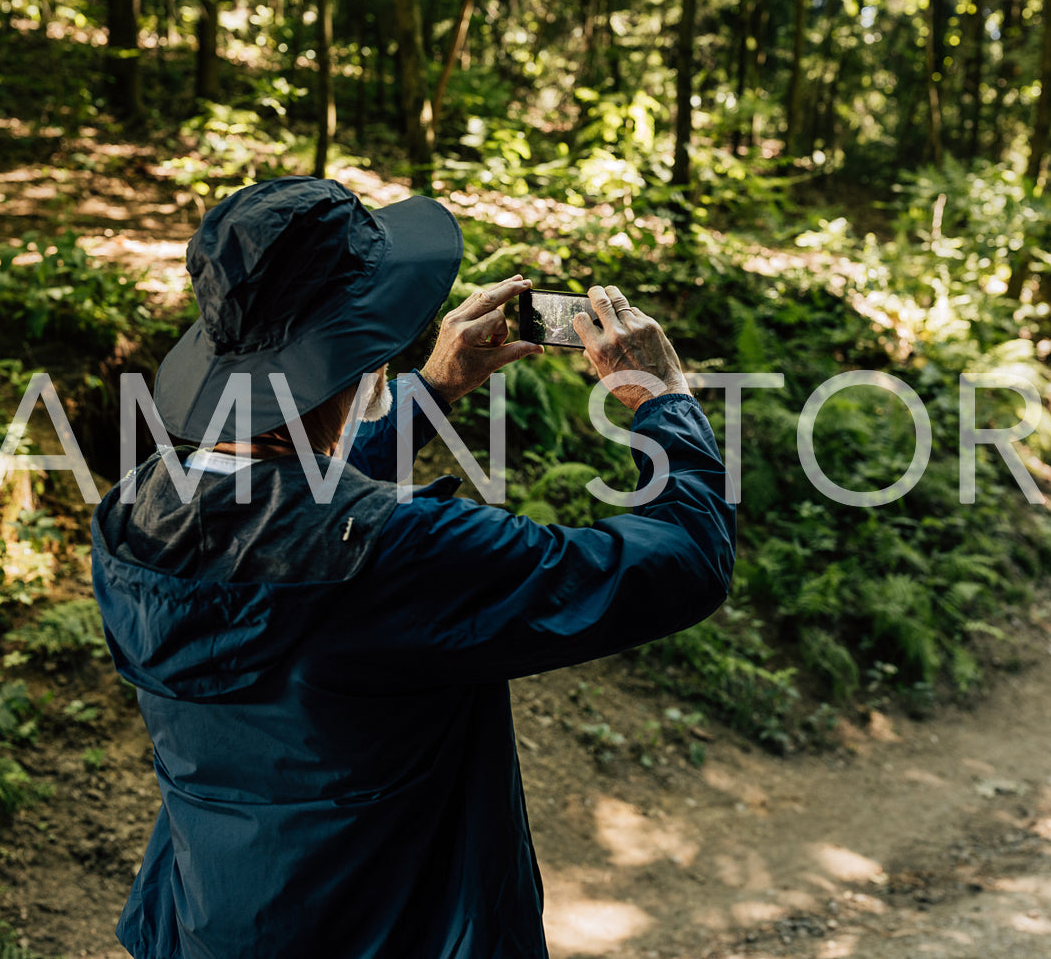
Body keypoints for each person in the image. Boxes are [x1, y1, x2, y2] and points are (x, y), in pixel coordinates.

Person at [90, 176, 736, 959]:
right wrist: (662, 397)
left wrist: (428, 393)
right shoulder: (408, 556)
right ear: (362, 345)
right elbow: (684, 560)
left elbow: (283, 506)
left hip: (209, 927)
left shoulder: (131, 519)